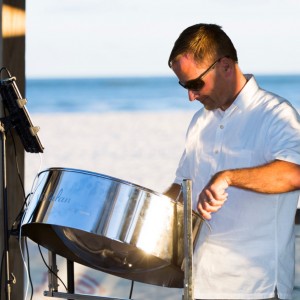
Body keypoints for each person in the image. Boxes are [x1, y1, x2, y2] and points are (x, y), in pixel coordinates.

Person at [164, 23, 300, 299]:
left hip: (256, 290)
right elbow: (181, 188)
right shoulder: (200, 122)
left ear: (225, 66)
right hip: (200, 285)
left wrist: (228, 177)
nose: (190, 96)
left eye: (195, 84)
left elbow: (294, 174)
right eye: (184, 86)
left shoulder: (275, 114)